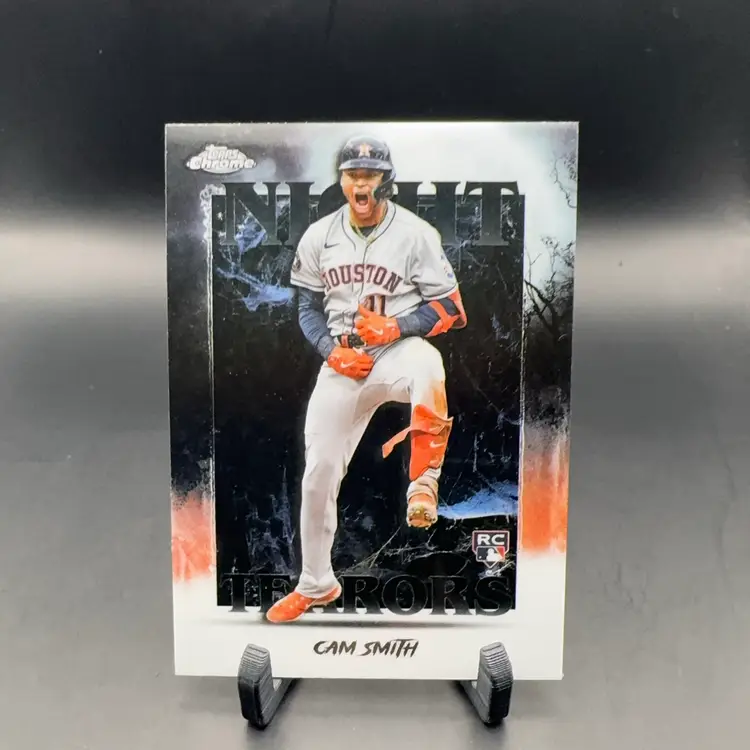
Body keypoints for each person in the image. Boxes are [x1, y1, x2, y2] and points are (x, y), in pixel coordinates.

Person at [266, 135, 467, 623]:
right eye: (352, 173)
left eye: (370, 174)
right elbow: (307, 308)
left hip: (395, 350)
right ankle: (316, 584)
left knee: (427, 364)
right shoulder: (319, 235)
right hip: (344, 359)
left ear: (385, 181)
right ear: (341, 180)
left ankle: (424, 482)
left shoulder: (416, 234)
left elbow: (452, 309)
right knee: (318, 472)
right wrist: (329, 351)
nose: (360, 182)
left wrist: (398, 326)